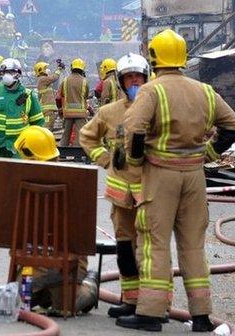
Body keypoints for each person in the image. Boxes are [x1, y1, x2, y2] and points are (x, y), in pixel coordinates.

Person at [118, 29, 235, 332]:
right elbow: (232, 126)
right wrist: (208, 153)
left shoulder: (151, 91)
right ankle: (201, 316)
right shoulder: (204, 91)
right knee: (193, 246)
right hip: (195, 177)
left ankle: (150, 313)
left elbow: (134, 131)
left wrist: (135, 161)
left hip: (160, 176)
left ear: (154, 58)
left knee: (155, 243)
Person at [80, 53, 150, 319]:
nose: (135, 81)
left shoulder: (157, 108)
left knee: (151, 249)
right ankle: (130, 301)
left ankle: (153, 305)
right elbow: (87, 137)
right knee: (124, 247)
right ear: (121, 81)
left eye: (139, 77)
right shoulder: (109, 112)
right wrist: (106, 160)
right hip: (121, 194)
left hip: (150, 192)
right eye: (129, 77)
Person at [13, 126, 98, 316]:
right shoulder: (20, 184)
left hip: (63, 266)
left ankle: (91, 286)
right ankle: (45, 294)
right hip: (35, 265)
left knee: (66, 307)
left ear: (30, 156)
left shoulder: (72, 186)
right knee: (28, 300)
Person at [0, 58, 44, 158]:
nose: (6, 75)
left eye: (9, 72)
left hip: (20, 148)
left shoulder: (28, 95)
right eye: (4, 72)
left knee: (18, 173)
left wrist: (33, 143)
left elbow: (38, 122)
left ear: (18, 73)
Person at [57, 58, 89, 147]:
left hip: (68, 112)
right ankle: (77, 155)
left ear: (72, 67)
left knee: (66, 133)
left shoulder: (65, 80)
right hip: (80, 113)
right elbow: (86, 96)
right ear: (82, 68)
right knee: (79, 133)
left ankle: (63, 152)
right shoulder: (84, 81)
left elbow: (60, 95)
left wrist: (60, 109)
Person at [35, 61, 65, 131]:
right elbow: (54, 78)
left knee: (48, 128)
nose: (48, 70)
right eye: (45, 68)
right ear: (41, 70)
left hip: (48, 110)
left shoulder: (43, 81)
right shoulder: (42, 79)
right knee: (47, 129)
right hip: (47, 110)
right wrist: (59, 69)